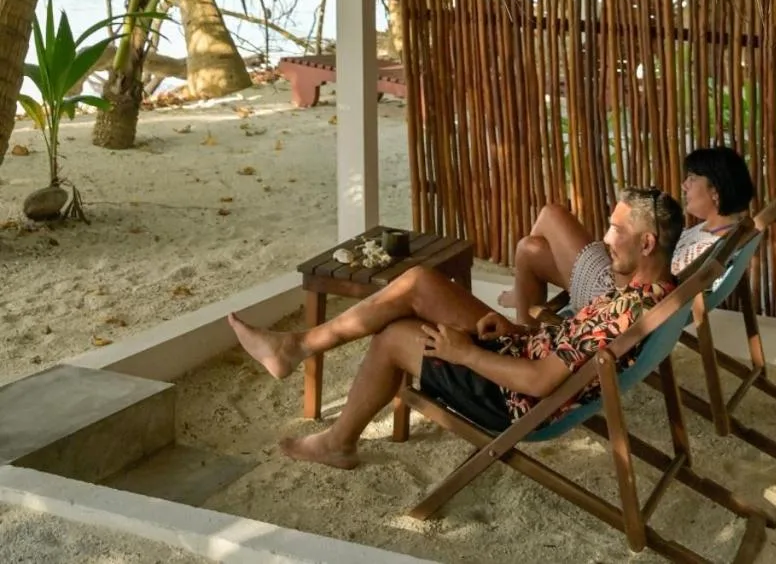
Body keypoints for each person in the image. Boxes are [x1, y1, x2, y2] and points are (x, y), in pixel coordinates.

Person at [226, 187, 684, 470]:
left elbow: (544, 381)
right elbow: (570, 349)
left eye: (614, 230)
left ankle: (338, 442)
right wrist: (523, 333)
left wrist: (464, 353)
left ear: (646, 242)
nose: (604, 239)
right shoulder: (655, 291)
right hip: (522, 351)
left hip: (515, 397)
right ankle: (295, 347)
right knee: (421, 283)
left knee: (396, 335)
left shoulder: (627, 310)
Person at [498, 146, 755, 325]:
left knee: (552, 213)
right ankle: (524, 334)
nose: (684, 185)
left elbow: (654, 279)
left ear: (715, 191)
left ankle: (519, 298)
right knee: (528, 248)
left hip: (615, 297)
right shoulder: (725, 230)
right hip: (623, 284)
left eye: (692, 178)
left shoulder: (711, 247)